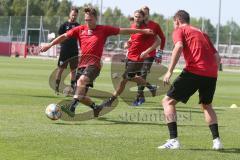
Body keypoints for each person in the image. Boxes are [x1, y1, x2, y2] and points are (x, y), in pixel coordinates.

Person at [40, 7, 154, 117]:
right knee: (80, 94)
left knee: (81, 81)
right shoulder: (80, 29)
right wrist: (50, 45)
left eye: (90, 19)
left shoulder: (103, 29)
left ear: (95, 18)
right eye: (86, 20)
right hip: (82, 65)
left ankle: (72, 107)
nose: (87, 22)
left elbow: (123, 30)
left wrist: (142, 31)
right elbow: (64, 36)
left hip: (94, 65)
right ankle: (96, 108)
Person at [158, 10, 223, 150]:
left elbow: (179, 46)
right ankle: (217, 141)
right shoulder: (202, 32)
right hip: (211, 74)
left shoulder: (180, 30)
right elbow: (217, 57)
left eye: (174, 22)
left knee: (167, 101)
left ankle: (173, 140)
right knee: (207, 105)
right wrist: (210, 71)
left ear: (177, 20)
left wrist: (169, 71)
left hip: (194, 71)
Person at [99, 10, 160, 108]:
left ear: (143, 18)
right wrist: (127, 44)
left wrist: (147, 52)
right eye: (135, 16)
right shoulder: (133, 27)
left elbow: (158, 41)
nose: (137, 18)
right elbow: (132, 39)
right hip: (129, 57)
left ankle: (110, 101)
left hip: (137, 59)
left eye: (139, 17)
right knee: (130, 77)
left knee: (123, 80)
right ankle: (151, 87)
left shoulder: (147, 29)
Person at [132, 6, 166, 106]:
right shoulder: (135, 25)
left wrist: (159, 54)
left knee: (143, 74)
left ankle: (138, 98)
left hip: (150, 54)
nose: (143, 14)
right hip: (137, 55)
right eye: (142, 13)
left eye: (145, 13)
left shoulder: (154, 25)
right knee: (137, 76)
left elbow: (162, 38)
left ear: (148, 14)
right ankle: (150, 88)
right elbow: (132, 38)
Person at [55, 7, 80, 94]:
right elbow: (59, 37)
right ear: (70, 14)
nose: (74, 16)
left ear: (77, 15)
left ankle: (73, 89)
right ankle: (56, 87)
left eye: (75, 15)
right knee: (61, 69)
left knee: (73, 70)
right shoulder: (64, 25)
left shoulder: (78, 26)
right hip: (64, 50)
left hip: (74, 51)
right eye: (73, 15)